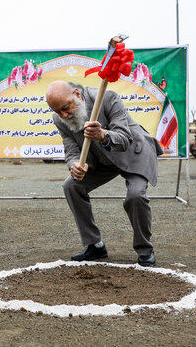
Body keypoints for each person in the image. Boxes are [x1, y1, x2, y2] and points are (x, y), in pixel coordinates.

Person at [46, 81, 163, 267]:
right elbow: (70, 149)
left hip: (133, 153)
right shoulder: (59, 118)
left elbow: (124, 138)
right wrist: (74, 164)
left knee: (136, 195)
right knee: (71, 186)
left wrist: (103, 135)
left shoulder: (108, 98)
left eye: (65, 108)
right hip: (101, 161)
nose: (64, 115)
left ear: (77, 94)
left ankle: (145, 249)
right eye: (58, 111)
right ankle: (95, 245)